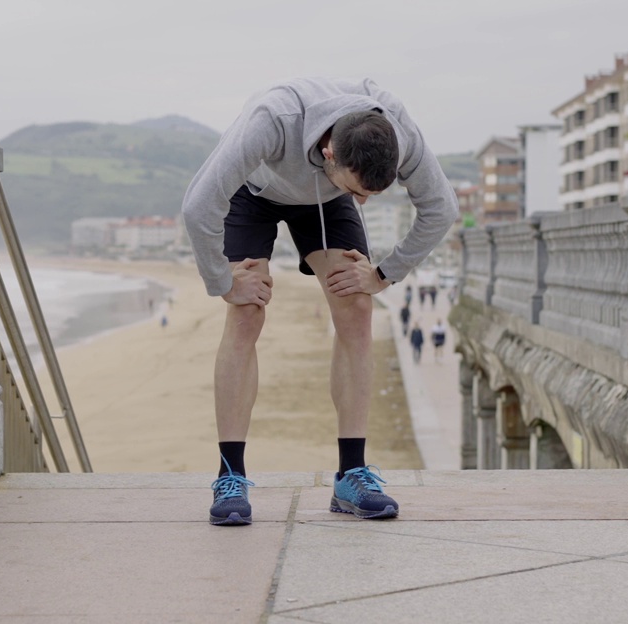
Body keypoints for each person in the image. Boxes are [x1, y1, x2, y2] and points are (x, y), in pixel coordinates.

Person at [182, 77, 458, 526]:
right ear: (330, 151)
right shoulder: (272, 121)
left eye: (373, 194)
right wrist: (223, 283)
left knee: (356, 304)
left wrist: (384, 275)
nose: (364, 203)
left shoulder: (397, 130)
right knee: (247, 311)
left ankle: (351, 475)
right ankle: (230, 475)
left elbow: (442, 208)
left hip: (325, 199)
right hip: (254, 193)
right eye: (359, 191)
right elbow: (199, 207)